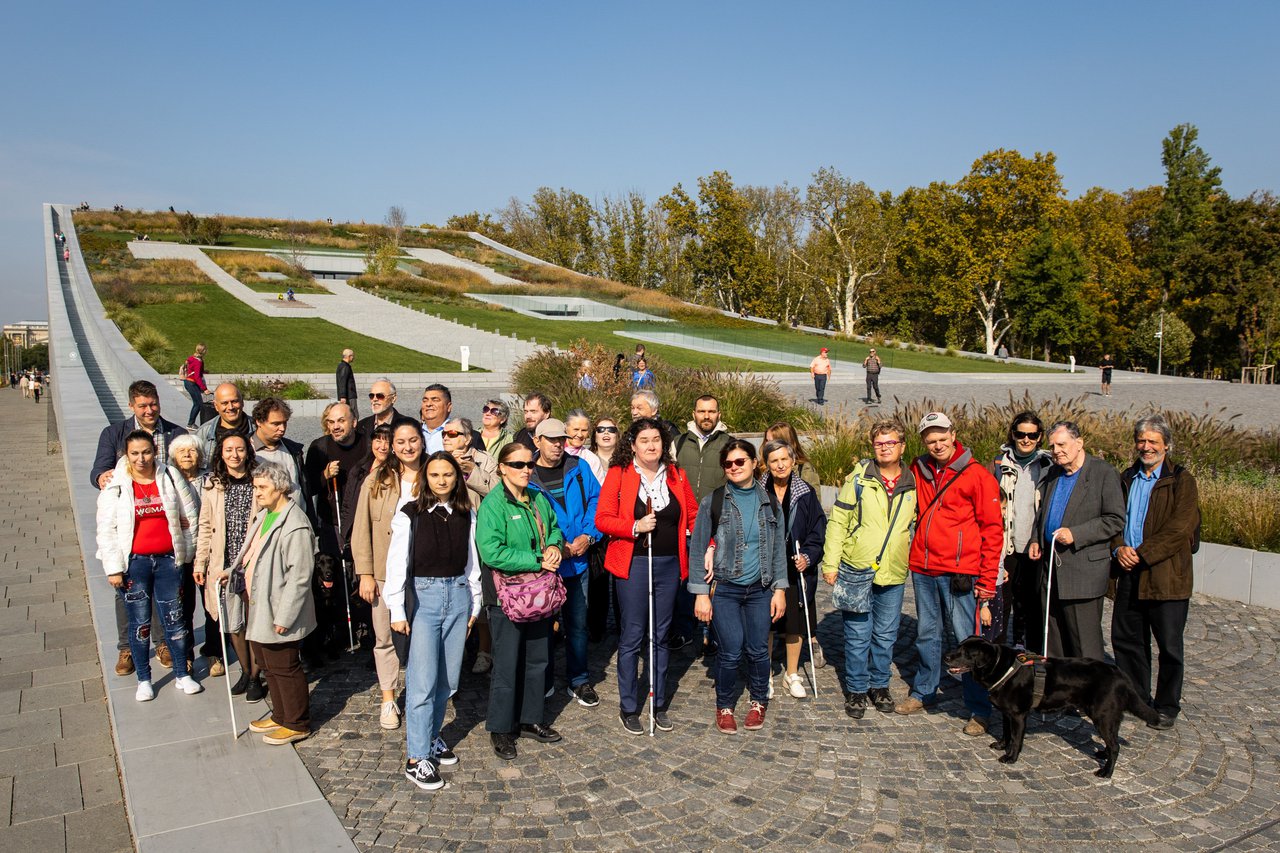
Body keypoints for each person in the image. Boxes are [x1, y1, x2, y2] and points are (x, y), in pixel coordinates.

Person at [896, 412, 1001, 738]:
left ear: (953, 435)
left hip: (960, 570)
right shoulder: (919, 469)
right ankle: (924, 691)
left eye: (942, 437)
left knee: (966, 640)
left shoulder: (977, 476)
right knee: (927, 633)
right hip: (924, 568)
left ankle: (980, 707)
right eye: (931, 439)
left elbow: (993, 529)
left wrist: (987, 580)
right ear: (924, 441)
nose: (937, 444)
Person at [594, 417, 698, 735]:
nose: (651, 445)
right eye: (644, 440)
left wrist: (706, 541)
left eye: (656, 440)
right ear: (633, 445)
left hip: (669, 564)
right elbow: (602, 519)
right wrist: (634, 527)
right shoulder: (619, 473)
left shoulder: (676, 474)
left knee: (661, 635)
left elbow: (692, 512)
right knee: (632, 635)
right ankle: (628, 706)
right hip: (634, 564)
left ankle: (658, 701)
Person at [386, 451, 483, 789]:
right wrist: (397, 610)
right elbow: (397, 564)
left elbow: (471, 562)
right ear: (425, 478)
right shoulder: (409, 514)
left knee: (448, 681)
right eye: (435, 475)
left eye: (448, 475)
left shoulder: (464, 513)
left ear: (457, 478)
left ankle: (431, 737)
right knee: (423, 681)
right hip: (423, 598)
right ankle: (416, 757)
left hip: (457, 595)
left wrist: (475, 603)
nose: (442, 480)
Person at [688, 440, 788, 733]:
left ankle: (758, 702)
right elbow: (697, 550)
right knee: (730, 650)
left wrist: (780, 590)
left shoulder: (770, 502)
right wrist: (701, 595)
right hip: (726, 588)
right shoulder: (714, 501)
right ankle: (725, 705)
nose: (734, 467)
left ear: (755, 463)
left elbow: (778, 551)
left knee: (758, 649)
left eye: (740, 462)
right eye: (728, 464)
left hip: (761, 588)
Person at [90, 380, 188, 677]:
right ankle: (127, 648)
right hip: (129, 530)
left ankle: (161, 644)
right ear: (131, 406)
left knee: (165, 594)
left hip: (165, 526)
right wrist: (104, 478)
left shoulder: (176, 433)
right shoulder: (114, 434)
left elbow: (186, 472)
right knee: (129, 594)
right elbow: (98, 470)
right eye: (142, 406)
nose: (149, 410)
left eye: (153, 404)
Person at [95, 430, 202, 701]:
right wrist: (113, 568)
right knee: (140, 624)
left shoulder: (169, 476)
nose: (141, 458)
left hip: (168, 560)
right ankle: (144, 678)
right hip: (135, 563)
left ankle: (182, 673)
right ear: (126, 455)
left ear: (154, 451)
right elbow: (106, 528)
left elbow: (189, 513)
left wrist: (186, 554)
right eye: (135, 454)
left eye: (146, 452)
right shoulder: (116, 484)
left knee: (175, 622)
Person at [475, 443, 566, 760]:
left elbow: (554, 529)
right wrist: (538, 558)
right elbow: (492, 553)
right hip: (507, 597)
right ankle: (500, 727)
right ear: (502, 467)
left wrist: (554, 545)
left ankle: (530, 719)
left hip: (539, 594)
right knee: (507, 663)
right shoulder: (493, 505)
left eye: (529, 464)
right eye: (517, 464)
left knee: (538, 658)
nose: (526, 469)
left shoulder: (539, 498)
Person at [1110, 414, 1200, 731]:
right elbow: (1114, 518)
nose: (1146, 447)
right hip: (1128, 570)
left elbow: (1180, 528)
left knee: (1169, 645)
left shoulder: (1181, 480)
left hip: (1166, 575)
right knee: (1128, 640)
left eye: (1153, 442)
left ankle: (1166, 705)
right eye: (1142, 441)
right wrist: (1119, 547)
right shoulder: (1127, 477)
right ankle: (1136, 696)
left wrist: (1143, 554)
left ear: (1166, 445)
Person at [823, 420, 916, 719]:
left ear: (902, 446)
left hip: (894, 569)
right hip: (857, 566)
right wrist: (830, 562)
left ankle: (879, 685)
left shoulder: (913, 481)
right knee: (857, 633)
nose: (885, 447)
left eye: (890, 443)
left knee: (887, 634)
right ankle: (856, 689)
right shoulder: (860, 479)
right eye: (879, 443)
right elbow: (839, 520)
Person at [1028, 421, 1125, 660]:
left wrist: (1076, 534)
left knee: (1084, 647)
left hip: (1083, 572)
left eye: (1062, 444)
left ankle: (1090, 696)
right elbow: (1042, 513)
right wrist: (1035, 539)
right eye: (1052, 446)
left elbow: (1114, 519)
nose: (1057, 451)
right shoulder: (1053, 472)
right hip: (1051, 571)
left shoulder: (1103, 473)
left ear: (1079, 443)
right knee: (1053, 643)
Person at [238, 462, 317, 745]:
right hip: (261, 604)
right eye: (255, 486)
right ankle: (281, 715)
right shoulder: (266, 514)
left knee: (284, 665)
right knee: (267, 664)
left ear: (280, 487)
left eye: (262, 487)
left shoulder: (294, 524)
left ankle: (296, 722)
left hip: (278, 609)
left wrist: (285, 616)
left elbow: (300, 576)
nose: (256, 493)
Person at [352, 422, 424, 730]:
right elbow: (361, 528)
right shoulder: (377, 480)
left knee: (424, 638)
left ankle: (423, 693)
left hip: (425, 572)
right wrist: (365, 573)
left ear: (422, 441)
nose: (407, 447)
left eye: (413, 440)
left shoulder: (436, 475)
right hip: (384, 572)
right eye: (401, 442)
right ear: (392, 446)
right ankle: (388, 698)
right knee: (384, 637)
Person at [528, 418, 602, 707]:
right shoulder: (527, 473)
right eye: (551, 439)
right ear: (537, 441)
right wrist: (556, 547)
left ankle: (579, 679)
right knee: (543, 625)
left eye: (561, 439)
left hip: (579, 560)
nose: (558, 444)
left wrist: (588, 535)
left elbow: (597, 502)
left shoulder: (579, 467)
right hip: (546, 565)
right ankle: (543, 680)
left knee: (578, 624)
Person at [194, 432, 265, 700]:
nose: (234, 455)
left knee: (255, 621)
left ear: (248, 451)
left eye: (239, 449)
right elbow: (204, 525)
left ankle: (257, 677)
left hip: (253, 561)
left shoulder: (259, 479)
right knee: (234, 623)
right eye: (228, 450)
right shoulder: (213, 483)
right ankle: (246, 671)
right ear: (221, 454)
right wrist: (201, 561)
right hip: (224, 564)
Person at [760, 439, 826, 700]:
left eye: (784, 459)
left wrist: (808, 557)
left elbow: (817, 531)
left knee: (794, 624)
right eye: (774, 461)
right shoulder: (757, 489)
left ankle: (791, 674)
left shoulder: (805, 492)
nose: (779, 465)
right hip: (764, 567)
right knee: (765, 622)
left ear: (792, 460)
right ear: (767, 464)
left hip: (795, 565)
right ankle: (764, 673)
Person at [304, 402, 365, 662]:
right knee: (336, 575)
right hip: (333, 521)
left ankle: (364, 626)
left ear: (354, 421)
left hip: (363, 521)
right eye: (331, 422)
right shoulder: (319, 447)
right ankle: (339, 629)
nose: (335, 426)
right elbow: (309, 487)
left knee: (362, 573)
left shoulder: (367, 443)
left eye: (341, 420)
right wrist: (324, 476)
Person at [990, 412, 1053, 648]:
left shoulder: (1047, 465)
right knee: (1002, 602)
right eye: (1020, 434)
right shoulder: (999, 464)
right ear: (1013, 434)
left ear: (1039, 437)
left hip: (1034, 545)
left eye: (1032, 435)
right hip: (1006, 545)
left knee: (1029, 602)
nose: (1026, 440)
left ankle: (1025, 646)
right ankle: (998, 649)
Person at [442, 417, 498, 674]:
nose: (447, 437)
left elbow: (498, 490)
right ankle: (456, 647)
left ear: (467, 437)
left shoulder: (485, 460)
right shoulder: (438, 460)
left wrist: (470, 471)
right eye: (444, 433)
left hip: (479, 535)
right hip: (448, 534)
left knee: (481, 593)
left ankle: (485, 651)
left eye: (453, 433)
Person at [168, 434, 207, 672]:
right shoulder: (168, 481)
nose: (187, 455)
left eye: (192, 451)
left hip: (206, 547)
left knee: (211, 602)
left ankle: (215, 651)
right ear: (173, 456)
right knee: (184, 605)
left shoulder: (210, 479)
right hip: (180, 551)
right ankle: (186, 653)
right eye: (181, 451)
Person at [250, 398, 312, 519]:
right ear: (259, 422)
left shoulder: (293, 450)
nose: (282, 428)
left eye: (285, 423)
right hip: (263, 524)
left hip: (297, 521)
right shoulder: (245, 451)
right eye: (276, 424)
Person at [674, 395, 733, 502]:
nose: (706, 416)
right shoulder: (678, 442)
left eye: (711, 411)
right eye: (701, 411)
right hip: (685, 514)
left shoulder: (731, 444)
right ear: (694, 414)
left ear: (719, 415)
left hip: (717, 513)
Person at [195, 383, 252, 470]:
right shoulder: (203, 433)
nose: (230, 407)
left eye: (234, 401)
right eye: (225, 403)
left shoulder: (258, 429)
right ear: (216, 406)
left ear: (242, 402)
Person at [356, 378, 420, 447]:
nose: (374, 399)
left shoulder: (409, 425)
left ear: (393, 398)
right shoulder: (360, 426)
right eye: (371, 396)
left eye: (380, 396)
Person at [763, 422, 820, 493]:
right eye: (766, 440)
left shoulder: (805, 469)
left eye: (770, 441)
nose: (766, 444)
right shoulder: (764, 468)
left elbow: (813, 501)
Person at [564, 409, 605, 484]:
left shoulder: (592, 459)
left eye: (584, 430)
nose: (580, 435)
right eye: (576, 429)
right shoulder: (554, 452)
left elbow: (598, 490)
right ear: (566, 428)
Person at [419, 384, 453, 454]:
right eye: (425, 400)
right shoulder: (413, 431)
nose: (428, 404)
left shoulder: (460, 434)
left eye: (435, 400)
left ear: (449, 407)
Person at [181, 343, 208, 429]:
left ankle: (191, 423)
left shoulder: (192, 358)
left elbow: (194, 370)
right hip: (191, 383)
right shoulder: (198, 361)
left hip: (188, 382)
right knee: (198, 404)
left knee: (197, 403)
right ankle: (190, 423)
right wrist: (204, 389)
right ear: (203, 351)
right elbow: (197, 376)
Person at [336, 348, 358, 419]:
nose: (353, 357)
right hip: (349, 395)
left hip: (348, 395)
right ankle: (353, 429)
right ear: (349, 356)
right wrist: (343, 396)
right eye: (352, 356)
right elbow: (342, 381)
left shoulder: (342, 366)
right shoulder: (345, 367)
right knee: (353, 415)